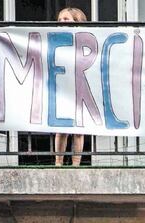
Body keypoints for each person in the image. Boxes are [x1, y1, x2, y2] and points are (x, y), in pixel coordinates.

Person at [55, 7, 88, 166]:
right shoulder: (54, 40)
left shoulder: (86, 41)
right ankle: (58, 162)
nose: (62, 22)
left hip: (80, 86)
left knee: (78, 129)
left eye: (66, 19)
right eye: (60, 19)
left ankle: (76, 165)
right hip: (62, 87)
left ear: (78, 22)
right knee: (61, 128)